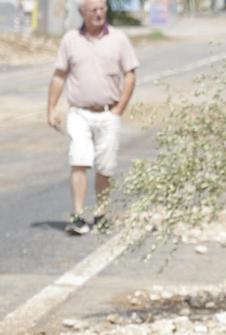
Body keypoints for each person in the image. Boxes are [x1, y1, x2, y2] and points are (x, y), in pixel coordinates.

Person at [46, 0, 139, 235]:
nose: (98, 14)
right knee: (78, 160)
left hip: (108, 113)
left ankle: (101, 214)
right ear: (82, 13)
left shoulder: (118, 39)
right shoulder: (70, 40)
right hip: (78, 112)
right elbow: (59, 76)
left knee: (105, 167)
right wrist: (51, 108)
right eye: (93, 10)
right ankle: (77, 215)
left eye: (102, 9)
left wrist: (120, 107)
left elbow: (130, 75)